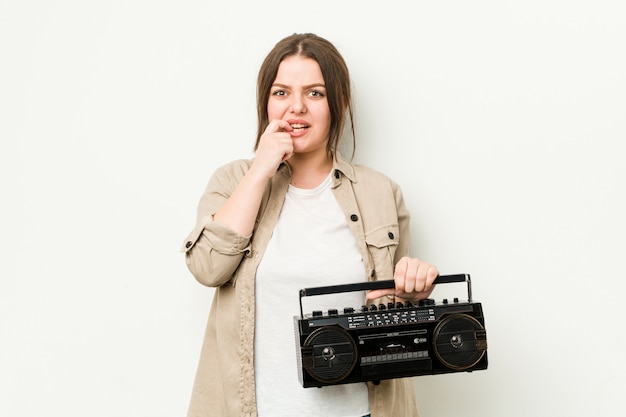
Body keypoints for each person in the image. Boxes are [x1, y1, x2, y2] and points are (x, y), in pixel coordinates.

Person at [181, 33, 439, 417]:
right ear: (266, 103)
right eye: (281, 93)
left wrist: (412, 293)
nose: (296, 108)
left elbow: (392, 316)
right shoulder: (233, 181)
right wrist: (260, 170)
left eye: (315, 93)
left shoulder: (380, 192)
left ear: (339, 104)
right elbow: (207, 267)